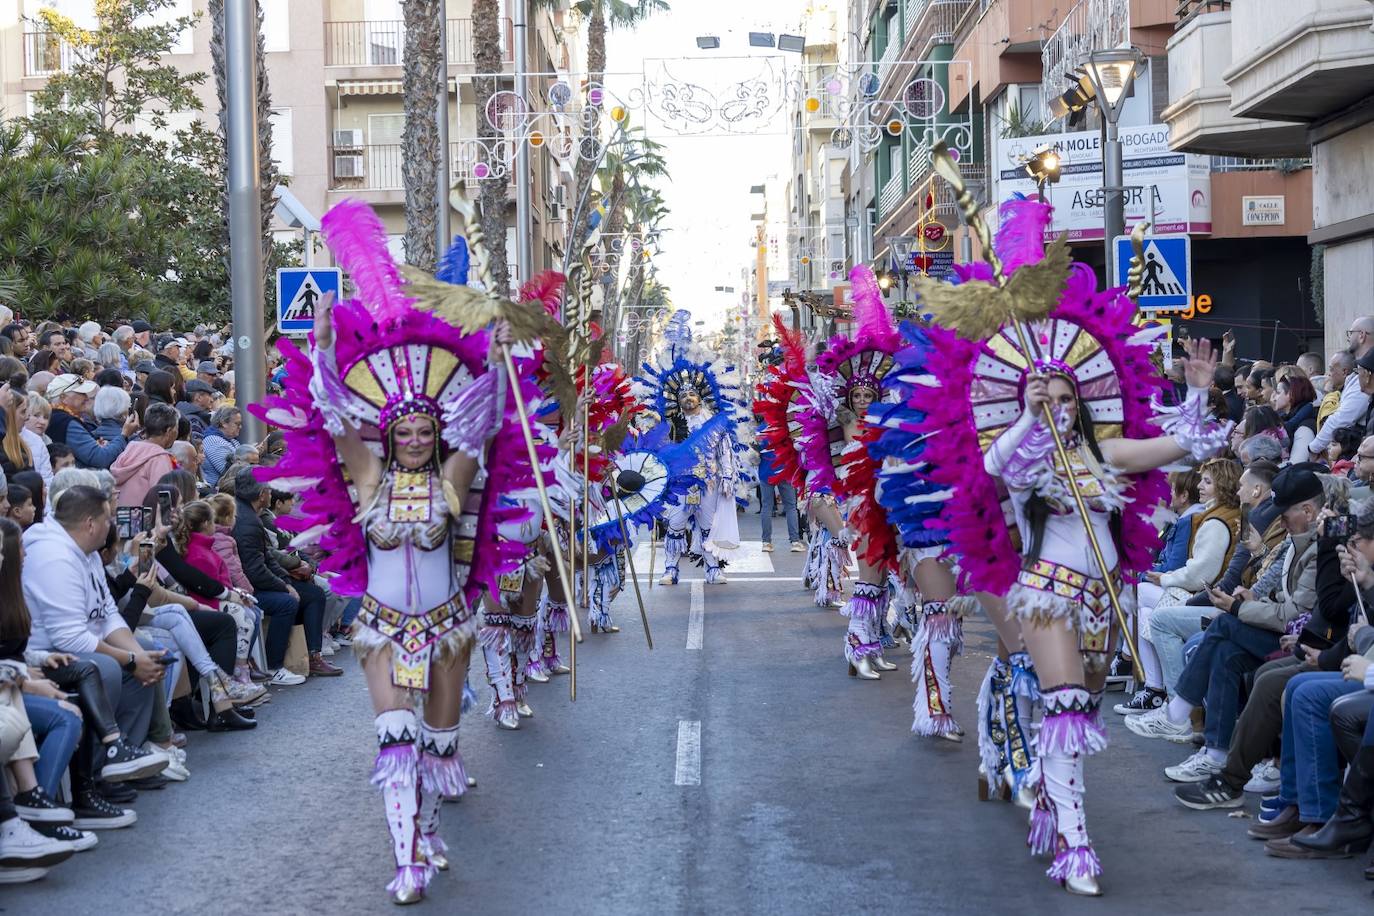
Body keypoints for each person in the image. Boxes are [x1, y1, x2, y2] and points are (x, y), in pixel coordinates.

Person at [907, 196, 1231, 896]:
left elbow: (1180, 447)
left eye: (1062, 397)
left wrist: (1199, 397)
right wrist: (1027, 419)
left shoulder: (1107, 452)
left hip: (1104, 593)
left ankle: (1049, 797)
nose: (1054, 405)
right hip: (1049, 589)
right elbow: (995, 470)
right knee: (1064, 707)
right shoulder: (1025, 459)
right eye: (1042, 395)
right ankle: (1076, 850)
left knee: (1083, 710)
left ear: (1082, 399)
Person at [256, 199, 543, 903]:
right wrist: (323, 344)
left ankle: (427, 829)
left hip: (448, 629)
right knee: (395, 741)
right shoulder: (369, 477)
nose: (414, 437)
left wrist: (500, 357)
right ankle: (406, 859)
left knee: (439, 746)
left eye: (423, 430)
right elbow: (330, 411)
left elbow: (482, 423)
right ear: (387, 436)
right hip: (382, 628)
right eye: (403, 431)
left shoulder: (453, 477)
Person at [1127, 466, 1325, 778]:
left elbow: (1291, 614)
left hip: (1300, 638)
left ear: (1309, 511)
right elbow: (1262, 585)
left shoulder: (1314, 547)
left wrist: (1236, 606)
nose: (1280, 518)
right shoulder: (1292, 539)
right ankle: (1214, 751)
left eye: (1285, 512)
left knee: (1220, 628)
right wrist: (1247, 598)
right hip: (1280, 628)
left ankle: (1178, 712)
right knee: (1225, 652)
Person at [1308, 318, 1374, 459]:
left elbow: (1342, 418)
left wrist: (1313, 448)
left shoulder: (1366, 376)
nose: (1349, 338)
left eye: (1351, 333)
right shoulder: (1356, 376)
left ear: (1362, 335)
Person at [47, 375, 135, 470]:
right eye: (81, 393)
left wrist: (97, 445)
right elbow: (100, 458)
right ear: (63, 397)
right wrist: (124, 435)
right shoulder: (65, 422)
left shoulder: (56, 416)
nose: (86, 397)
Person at [110, 402, 176, 509]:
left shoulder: (128, 451)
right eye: (176, 428)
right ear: (169, 431)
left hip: (120, 520)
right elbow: (163, 499)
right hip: (146, 522)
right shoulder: (159, 458)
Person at [1275, 374, 1318, 462]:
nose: (1274, 397)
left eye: (1278, 392)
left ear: (1291, 394)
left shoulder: (1305, 427)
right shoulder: (1286, 418)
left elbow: (1295, 463)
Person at [202, 406, 244, 487]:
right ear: (224, 423)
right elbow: (231, 473)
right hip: (217, 492)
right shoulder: (213, 441)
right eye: (237, 424)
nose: (240, 427)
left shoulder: (232, 440)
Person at [1318, 352, 1353, 429]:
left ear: (1344, 372)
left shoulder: (1351, 395)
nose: (1328, 374)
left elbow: (1327, 426)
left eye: (1331, 369)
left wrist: (1328, 394)